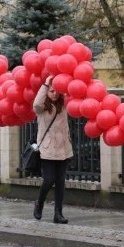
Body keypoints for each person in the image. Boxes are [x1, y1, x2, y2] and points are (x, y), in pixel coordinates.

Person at [32, 75, 73, 224]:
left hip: (64, 149)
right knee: (49, 180)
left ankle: (58, 213)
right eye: (52, 91)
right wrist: (46, 84)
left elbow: (75, 93)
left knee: (60, 182)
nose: (55, 93)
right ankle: (39, 203)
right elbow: (36, 103)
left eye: (57, 91)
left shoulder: (64, 105)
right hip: (47, 150)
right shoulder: (42, 108)